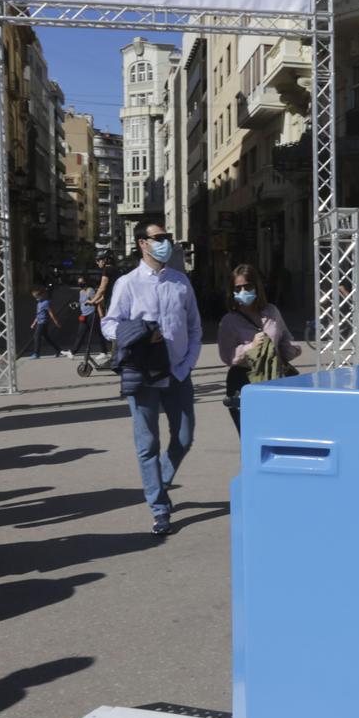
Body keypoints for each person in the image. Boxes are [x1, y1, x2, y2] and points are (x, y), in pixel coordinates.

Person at [105, 221, 202, 537]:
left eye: (167, 238)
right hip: (144, 374)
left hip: (177, 374)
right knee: (147, 444)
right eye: (158, 238)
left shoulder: (180, 282)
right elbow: (109, 325)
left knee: (184, 437)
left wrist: (186, 365)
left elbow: (195, 328)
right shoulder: (127, 283)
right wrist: (138, 335)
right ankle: (159, 508)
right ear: (142, 244)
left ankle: (157, 480)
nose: (165, 243)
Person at [218, 264, 301, 433]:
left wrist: (292, 349)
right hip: (243, 380)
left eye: (247, 286)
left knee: (276, 432)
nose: (243, 291)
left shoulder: (271, 311)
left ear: (257, 287)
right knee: (251, 437)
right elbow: (227, 356)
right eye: (238, 288)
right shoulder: (229, 320)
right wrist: (251, 347)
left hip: (273, 378)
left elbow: (284, 337)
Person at [72, 276, 110, 356]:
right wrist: (76, 305)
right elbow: (82, 302)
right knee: (80, 334)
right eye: (78, 283)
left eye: (81, 282)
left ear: (85, 282)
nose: (80, 284)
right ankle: (73, 352)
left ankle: (104, 352)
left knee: (99, 333)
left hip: (92, 315)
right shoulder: (81, 292)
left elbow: (96, 303)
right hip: (83, 315)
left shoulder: (90, 291)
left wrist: (101, 316)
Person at [27, 284, 64, 359]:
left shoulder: (46, 303)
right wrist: (34, 323)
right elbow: (38, 314)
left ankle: (36, 354)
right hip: (40, 322)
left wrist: (56, 322)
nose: (36, 298)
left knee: (37, 336)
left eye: (37, 296)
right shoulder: (38, 304)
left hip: (43, 323)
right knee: (47, 338)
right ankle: (59, 350)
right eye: (35, 297)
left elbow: (51, 314)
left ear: (41, 295)